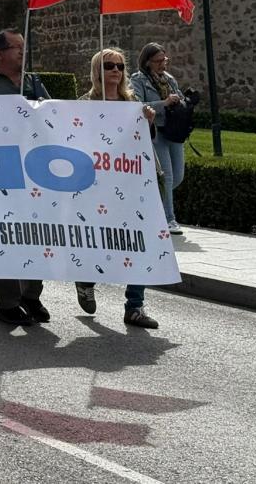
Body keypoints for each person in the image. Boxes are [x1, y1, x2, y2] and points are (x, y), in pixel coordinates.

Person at [0, 28, 51, 326]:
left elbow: (52, 117)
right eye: (16, 47)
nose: (21, 52)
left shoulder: (33, 82)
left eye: (23, 47)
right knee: (6, 237)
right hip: (1, 172)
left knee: (38, 235)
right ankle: (6, 303)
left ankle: (31, 294)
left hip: (35, 173)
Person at [75, 48, 161, 329]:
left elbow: (143, 142)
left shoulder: (131, 102)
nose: (116, 70)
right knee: (100, 237)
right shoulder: (85, 103)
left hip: (129, 184)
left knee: (139, 240)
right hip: (96, 186)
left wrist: (147, 121)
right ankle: (86, 278)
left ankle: (134, 306)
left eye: (120, 66)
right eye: (109, 65)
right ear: (97, 70)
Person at [131, 43, 187, 236]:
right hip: (157, 131)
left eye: (165, 60)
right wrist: (164, 103)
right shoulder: (138, 79)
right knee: (167, 176)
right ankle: (169, 218)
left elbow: (179, 98)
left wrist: (184, 101)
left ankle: (150, 201)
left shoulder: (169, 79)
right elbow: (138, 105)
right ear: (147, 62)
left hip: (174, 131)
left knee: (178, 176)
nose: (163, 64)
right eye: (158, 61)